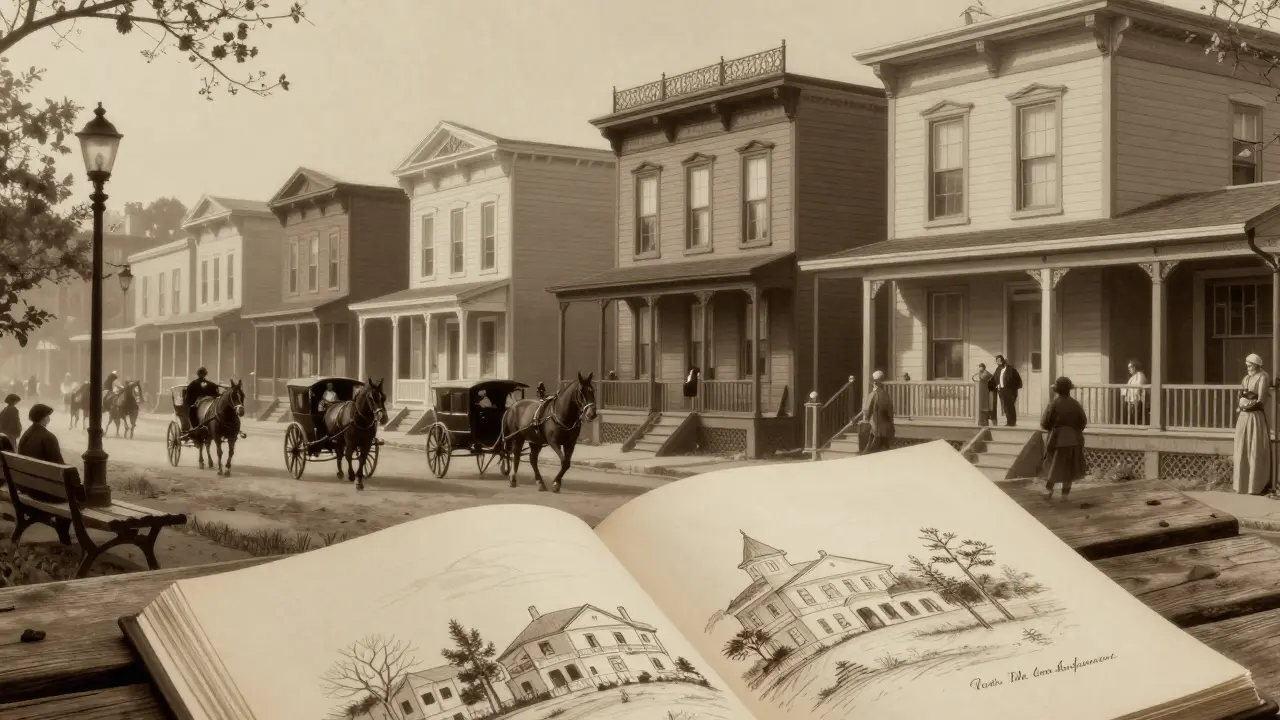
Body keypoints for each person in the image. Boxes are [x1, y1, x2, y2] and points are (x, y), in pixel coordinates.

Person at [1040, 376, 1088, 502]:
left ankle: (1048, 490)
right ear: (1069, 390)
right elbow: (1083, 422)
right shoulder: (1075, 404)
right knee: (1069, 467)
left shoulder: (1054, 404)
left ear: (1057, 390)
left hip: (1056, 439)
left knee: (1053, 465)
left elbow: (1045, 423)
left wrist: (1054, 429)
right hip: (1073, 439)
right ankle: (1065, 495)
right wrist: (1073, 431)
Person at [1233, 353, 1272, 495]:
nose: (1248, 365)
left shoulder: (1263, 376)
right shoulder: (1246, 377)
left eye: (1250, 363)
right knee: (1242, 446)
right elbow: (1241, 394)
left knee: (1254, 446)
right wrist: (1242, 402)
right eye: (1247, 363)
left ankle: (1255, 486)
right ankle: (1242, 485)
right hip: (1244, 416)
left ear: (1256, 364)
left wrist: (1248, 404)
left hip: (1255, 416)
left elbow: (1261, 399)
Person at [860, 370, 895, 454]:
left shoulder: (873, 395)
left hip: (876, 429)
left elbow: (866, 411)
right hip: (887, 430)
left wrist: (866, 419)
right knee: (885, 451)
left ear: (875, 383)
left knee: (870, 451)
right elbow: (890, 412)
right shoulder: (886, 395)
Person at [989, 355, 1023, 426]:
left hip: (1009, 390)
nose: (998, 362)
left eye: (999, 360)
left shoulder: (1010, 369)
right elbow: (995, 378)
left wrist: (1013, 388)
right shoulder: (998, 369)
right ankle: (1009, 421)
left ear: (1003, 360)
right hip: (1001, 390)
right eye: (997, 361)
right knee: (1005, 407)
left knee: (1010, 406)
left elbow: (1017, 380)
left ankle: (1012, 422)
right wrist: (996, 385)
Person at [184, 367, 220, 431]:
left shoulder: (193, 384)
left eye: (203, 373)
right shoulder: (194, 384)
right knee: (192, 410)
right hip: (198, 404)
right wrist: (192, 404)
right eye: (201, 373)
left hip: (207, 402)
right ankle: (195, 427)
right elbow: (189, 397)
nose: (202, 375)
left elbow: (216, 394)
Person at [1124, 359, 1149, 425]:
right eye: (1128, 368)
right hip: (1131, 400)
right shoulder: (1132, 377)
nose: (1129, 369)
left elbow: (1139, 386)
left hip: (1138, 399)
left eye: (1130, 367)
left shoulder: (1140, 375)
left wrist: (1135, 397)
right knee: (1131, 416)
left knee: (1137, 416)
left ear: (1135, 367)